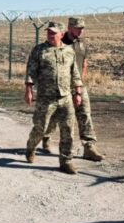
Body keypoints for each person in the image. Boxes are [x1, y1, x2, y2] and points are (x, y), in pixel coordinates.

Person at [24, 21, 83, 174]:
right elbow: (31, 71)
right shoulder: (39, 50)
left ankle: (66, 161)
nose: (50, 35)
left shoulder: (69, 51)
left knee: (68, 130)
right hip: (45, 98)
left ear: (61, 34)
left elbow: (75, 73)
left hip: (65, 97)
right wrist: (29, 90)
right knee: (41, 128)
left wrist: (78, 93)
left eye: (54, 33)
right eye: (49, 32)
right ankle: (31, 148)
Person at [43, 16, 104, 161]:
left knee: (85, 113)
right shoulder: (60, 41)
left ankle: (89, 146)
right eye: (78, 28)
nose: (81, 31)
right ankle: (46, 137)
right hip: (60, 87)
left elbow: (84, 63)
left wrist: (80, 83)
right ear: (69, 28)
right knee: (55, 116)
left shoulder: (82, 43)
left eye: (82, 28)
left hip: (78, 86)